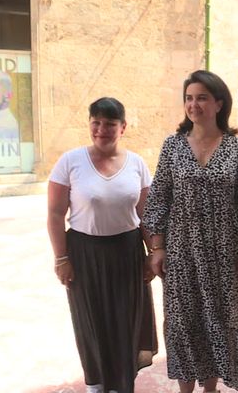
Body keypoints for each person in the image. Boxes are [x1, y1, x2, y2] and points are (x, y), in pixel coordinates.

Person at [143, 70, 238, 393]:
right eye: (189, 98)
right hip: (181, 253)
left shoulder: (235, 149)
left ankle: (210, 390)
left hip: (224, 254)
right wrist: (157, 248)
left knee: (218, 323)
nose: (193, 104)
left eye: (202, 98)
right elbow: (158, 199)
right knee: (185, 324)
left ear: (219, 103)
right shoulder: (172, 146)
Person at [47, 97, 158, 393]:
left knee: (126, 322)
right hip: (84, 255)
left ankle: (123, 384)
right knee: (91, 323)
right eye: (95, 122)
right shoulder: (70, 162)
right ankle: (96, 385)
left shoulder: (136, 164)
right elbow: (56, 215)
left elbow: (145, 215)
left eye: (109, 124)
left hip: (128, 253)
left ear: (122, 127)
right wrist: (61, 259)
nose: (101, 129)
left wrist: (152, 254)